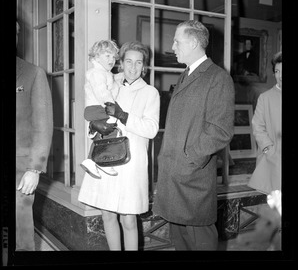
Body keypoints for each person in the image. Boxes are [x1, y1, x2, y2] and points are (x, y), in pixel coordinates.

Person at [153, 20, 235, 250]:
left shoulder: (217, 77)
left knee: (201, 239)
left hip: (192, 176)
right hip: (175, 174)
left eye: (177, 41)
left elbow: (220, 130)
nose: (173, 46)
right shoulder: (186, 74)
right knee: (180, 240)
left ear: (194, 43)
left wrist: (190, 158)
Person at [78, 41, 160, 250]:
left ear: (144, 66)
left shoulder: (150, 93)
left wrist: (123, 116)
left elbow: (151, 129)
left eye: (138, 63)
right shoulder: (109, 83)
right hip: (107, 158)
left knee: (129, 219)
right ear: (120, 63)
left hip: (131, 163)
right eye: (128, 61)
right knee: (107, 215)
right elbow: (93, 108)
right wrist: (94, 126)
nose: (133, 67)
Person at [16, 21, 53, 251]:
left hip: (20, 170)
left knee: (20, 233)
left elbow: (43, 125)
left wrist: (35, 169)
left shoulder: (32, 74)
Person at [80, 40, 124, 178]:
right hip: (97, 107)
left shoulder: (104, 73)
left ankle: (92, 159)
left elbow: (112, 85)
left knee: (104, 134)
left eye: (113, 56)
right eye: (107, 56)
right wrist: (110, 105)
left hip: (98, 107)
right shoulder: (96, 73)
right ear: (96, 57)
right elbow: (102, 91)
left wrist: (121, 77)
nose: (111, 60)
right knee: (111, 130)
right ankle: (98, 159)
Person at [248, 51, 282, 194]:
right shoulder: (265, 98)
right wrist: (269, 149)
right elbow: (258, 127)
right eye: (277, 71)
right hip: (273, 160)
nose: (280, 76)